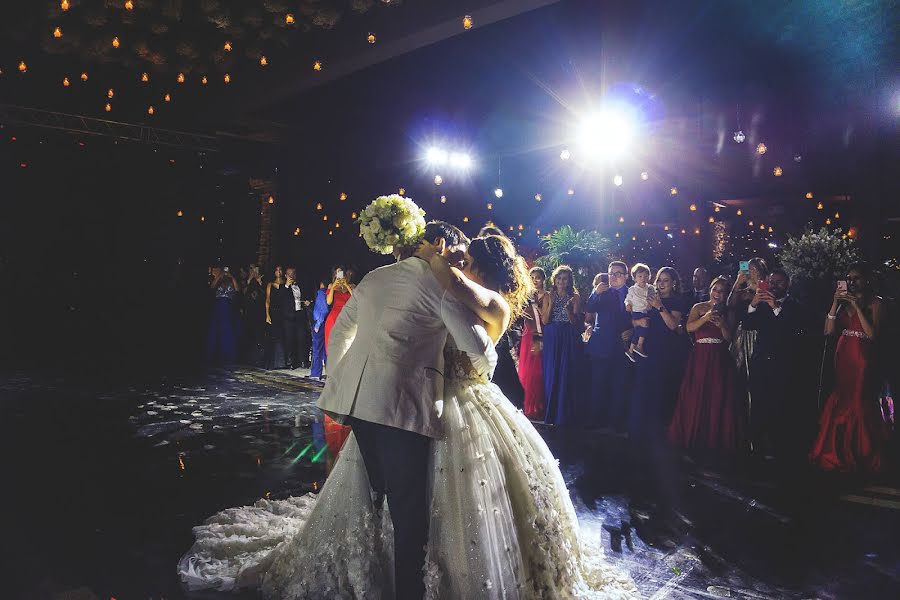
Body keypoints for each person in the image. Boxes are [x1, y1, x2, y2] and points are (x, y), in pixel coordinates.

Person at [178, 233, 639, 599]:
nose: (460, 268)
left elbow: (482, 357)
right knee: (410, 497)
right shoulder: (455, 294)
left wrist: (431, 256)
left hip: (459, 400)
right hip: (423, 400)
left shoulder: (481, 299)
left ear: (480, 268)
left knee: (439, 503)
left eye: (468, 262)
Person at [810, 263, 889, 472]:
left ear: (866, 280)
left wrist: (856, 307)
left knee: (858, 398)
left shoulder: (876, 303)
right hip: (843, 353)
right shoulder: (844, 303)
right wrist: (836, 303)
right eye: (849, 278)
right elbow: (828, 331)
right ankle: (838, 449)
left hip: (862, 356)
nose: (852, 282)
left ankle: (860, 450)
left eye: (856, 278)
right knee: (842, 397)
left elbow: (872, 334)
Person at [668, 276, 746, 451]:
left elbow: (729, 339)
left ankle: (713, 440)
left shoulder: (729, 311)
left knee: (717, 396)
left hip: (719, 357)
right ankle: (692, 435)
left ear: (726, 294)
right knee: (695, 394)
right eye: (715, 289)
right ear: (710, 290)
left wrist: (722, 324)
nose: (717, 294)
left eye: (721, 291)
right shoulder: (699, 307)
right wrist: (706, 317)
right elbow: (688, 328)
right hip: (700, 356)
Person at [741, 269, 809, 458]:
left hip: (782, 365)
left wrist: (775, 308)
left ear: (787, 284)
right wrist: (753, 304)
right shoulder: (761, 305)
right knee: (758, 404)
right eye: (772, 282)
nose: (774, 286)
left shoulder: (795, 306)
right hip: (761, 363)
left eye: (779, 282)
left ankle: (777, 447)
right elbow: (747, 324)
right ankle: (755, 445)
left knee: (779, 405)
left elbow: (789, 330)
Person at [583, 261, 633, 431]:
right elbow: (589, 308)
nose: (613, 276)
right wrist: (596, 293)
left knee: (619, 386)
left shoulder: (633, 293)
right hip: (601, 345)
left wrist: (632, 330)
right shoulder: (601, 291)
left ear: (626, 276)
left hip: (623, 347)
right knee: (598, 385)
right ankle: (595, 420)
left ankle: (616, 423)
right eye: (611, 273)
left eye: (618, 273)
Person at [540, 265, 584, 425]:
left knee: (566, 372)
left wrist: (569, 311)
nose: (561, 281)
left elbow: (575, 323)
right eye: (558, 278)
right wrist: (551, 303)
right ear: (554, 279)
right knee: (552, 371)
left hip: (568, 335)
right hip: (552, 335)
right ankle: (551, 413)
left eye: (564, 278)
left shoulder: (575, 297)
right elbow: (544, 321)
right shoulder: (547, 295)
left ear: (569, 280)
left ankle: (564, 414)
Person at [518, 266, 547, 419]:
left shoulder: (547, 295)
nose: (535, 280)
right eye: (533, 277)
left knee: (539, 371)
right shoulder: (526, 296)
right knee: (526, 371)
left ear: (544, 279)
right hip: (529, 334)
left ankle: (540, 406)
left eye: (538, 277)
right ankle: (528, 406)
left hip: (544, 333)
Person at [205, 265, 239, 365]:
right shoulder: (218, 281)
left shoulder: (231, 282)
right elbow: (212, 287)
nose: (225, 273)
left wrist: (231, 277)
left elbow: (237, 289)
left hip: (228, 307)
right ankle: (213, 354)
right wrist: (219, 276)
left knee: (227, 330)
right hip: (218, 306)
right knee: (215, 330)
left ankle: (226, 355)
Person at [280, 267, 311, 370]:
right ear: (285, 275)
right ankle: (291, 362)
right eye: (289, 274)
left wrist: (307, 302)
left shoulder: (300, 286)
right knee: (290, 340)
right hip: (288, 317)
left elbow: (305, 297)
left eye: (293, 274)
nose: (291, 276)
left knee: (301, 338)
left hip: (299, 314)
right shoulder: (282, 287)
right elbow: (280, 299)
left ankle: (303, 361)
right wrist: (286, 285)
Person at [624, 262, 655, 361]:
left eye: (646, 276)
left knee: (639, 331)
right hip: (637, 312)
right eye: (640, 276)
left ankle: (631, 350)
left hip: (646, 311)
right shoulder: (632, 289)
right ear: (635, 278)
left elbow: (654, 297)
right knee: (644, 327)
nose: (643, 278)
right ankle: (639, 346)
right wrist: (628, 304)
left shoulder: (650, 288)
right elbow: (627, 299)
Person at [324, 266, 355, 352]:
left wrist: (346, 286)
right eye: (337, 273)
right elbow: (328, 302)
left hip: (347, 317)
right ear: (334, 275)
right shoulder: (331, 286)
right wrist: (333, 287)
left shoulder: (351, 286)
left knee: (347, 345)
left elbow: (356, 299)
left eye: (341, 273)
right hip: (334, 317)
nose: (339, 275)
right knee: (333, 346)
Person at [242, 264, 266, 366]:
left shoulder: (263, 281)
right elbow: (242, 293)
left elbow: (267, 296)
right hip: (249, 312)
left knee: (259, 336)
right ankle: (248, 359)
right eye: (251, 269)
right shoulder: (246, 281)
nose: (254, 271)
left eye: (255, 269)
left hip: (259, 313)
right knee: (249, 335)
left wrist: (260, 282)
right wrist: (249, 279)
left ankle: (259, 360)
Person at [264, 265, 287, 370]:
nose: (279, 272)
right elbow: (267, 300)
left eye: (280, 270)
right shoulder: (270, 285)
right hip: (273, 312)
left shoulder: (285, 284)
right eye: (277, 270)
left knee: (282, 336)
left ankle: (281, 363)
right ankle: (270, 363)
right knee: (272, 337)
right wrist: (267, 314)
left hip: (283, 312)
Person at [309, 280, 329, 380]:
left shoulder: (321, 292)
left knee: (317, 348)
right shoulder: (328, 292)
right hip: (326, 323)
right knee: (325, 348)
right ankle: (328, 372)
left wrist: (318, 323)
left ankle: (316, 373)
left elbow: (324, 309)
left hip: (320, 323)